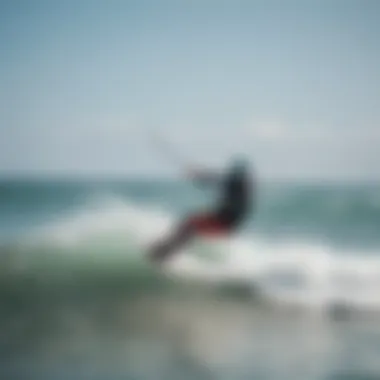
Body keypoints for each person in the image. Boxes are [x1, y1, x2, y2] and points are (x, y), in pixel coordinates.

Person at [148, 157, 255, 263]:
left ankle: (165, 252)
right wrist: (200, 177)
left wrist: (198, 174)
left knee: (190, 226)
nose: (232, 174)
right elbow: (217, 180)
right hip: (226, 222)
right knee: (189, 223)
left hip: (224, 222)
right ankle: (166, 250)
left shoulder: (235, 184)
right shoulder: (240, 186)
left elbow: (217, 179)